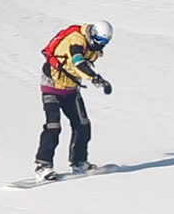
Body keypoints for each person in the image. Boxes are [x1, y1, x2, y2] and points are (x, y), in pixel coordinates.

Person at [33, 20, 114, 180]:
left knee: (82, 124)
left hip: (70, 89)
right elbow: (78, 62)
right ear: (93, 34)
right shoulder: (76, 40)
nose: (100, 44)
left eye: (105, 42)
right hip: (52, 86)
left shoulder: (94, 47)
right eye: (99, 40)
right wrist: (96, 79)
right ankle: (43, 166)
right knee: (53, 126)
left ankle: (78, 162)